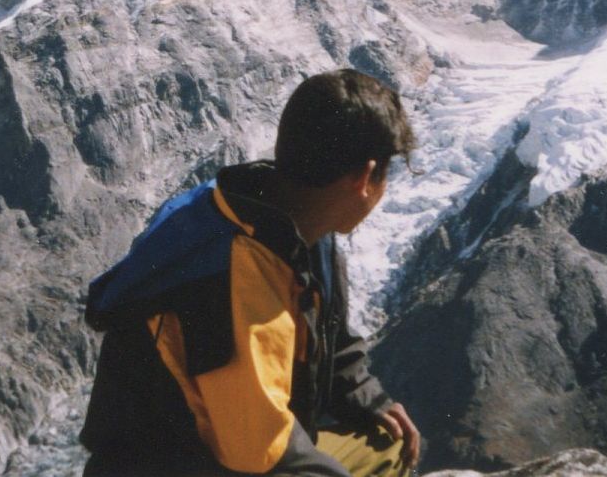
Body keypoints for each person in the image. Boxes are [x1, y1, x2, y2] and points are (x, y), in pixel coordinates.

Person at [79, 69, 422, 476]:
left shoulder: (293, 222)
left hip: (228, 452)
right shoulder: (229, 277)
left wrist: (370, 398)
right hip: (187, 465)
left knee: (386, 445)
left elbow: (330, 335)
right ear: (364, 178)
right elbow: (261, 454)